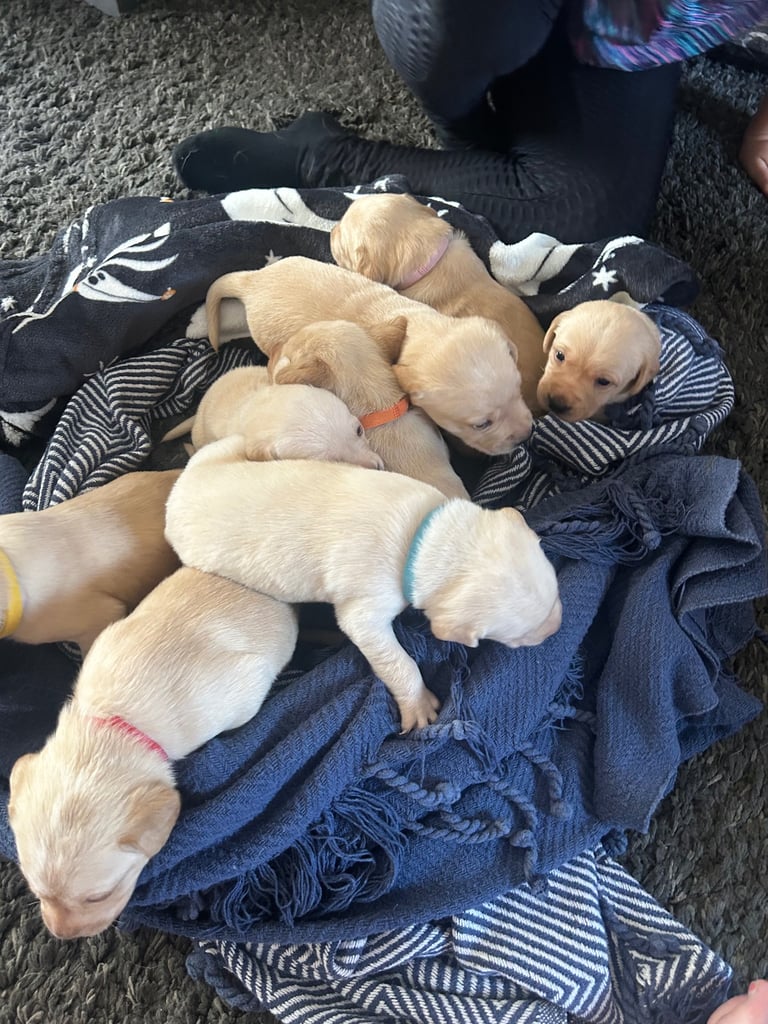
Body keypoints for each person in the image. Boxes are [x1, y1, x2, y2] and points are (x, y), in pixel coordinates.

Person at [172, 0, 768, 245]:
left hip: (640, 32)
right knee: (473, 20)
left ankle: (323, 155)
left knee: (583, 221)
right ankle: (458, 124)